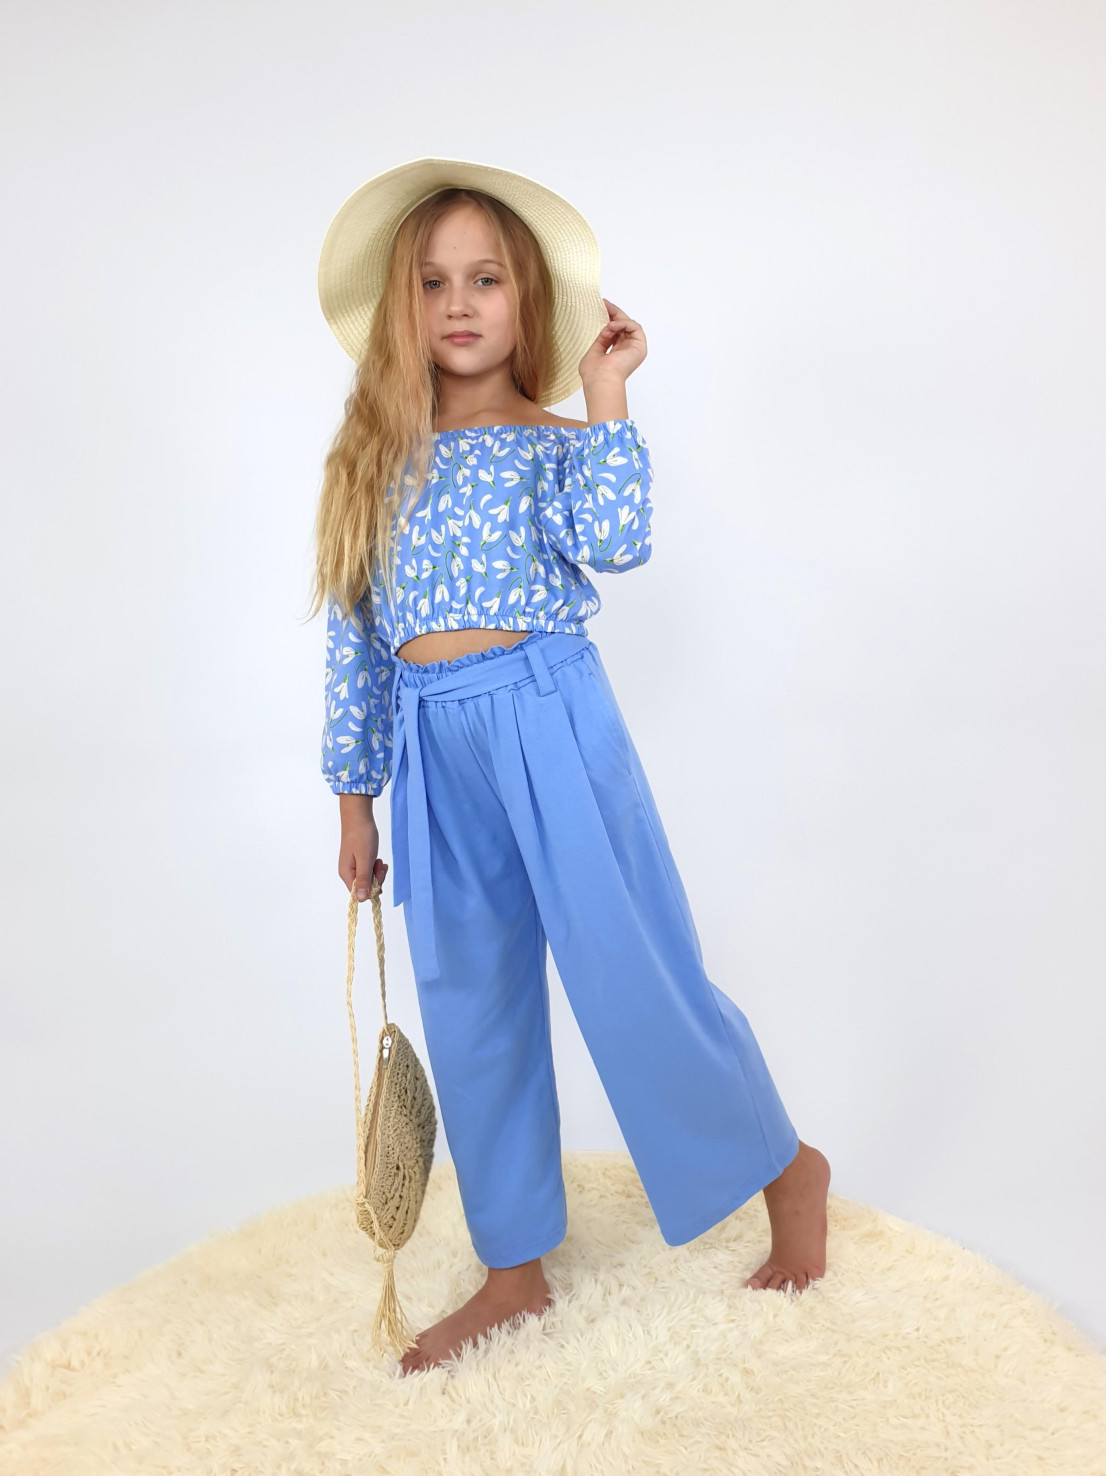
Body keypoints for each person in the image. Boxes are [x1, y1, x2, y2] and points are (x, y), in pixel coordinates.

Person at [308, 158, 831, 1375]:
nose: (458, 302)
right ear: (400, 308)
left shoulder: (551, 445)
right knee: (469, 1002)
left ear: (527, 301)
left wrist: (605, 395)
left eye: (485, 278)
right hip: (432, 749)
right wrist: (354, 802)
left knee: (629, 967)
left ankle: (782, 1166)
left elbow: (619, 540)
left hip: (549, 718)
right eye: (432, 281)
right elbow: (352, 643)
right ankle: (512, 1269)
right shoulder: (370, 459)